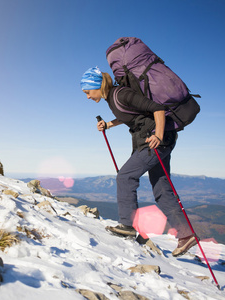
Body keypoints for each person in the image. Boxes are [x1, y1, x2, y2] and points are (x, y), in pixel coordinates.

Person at [81, 66, 197, 257]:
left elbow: (157, 108)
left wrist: (158, 135)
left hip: (155, 142)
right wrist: (109, 124)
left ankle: (127, 225)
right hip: (161, 141)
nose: (87, 97)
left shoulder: (121, 94)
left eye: (87, 92)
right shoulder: (113, 98)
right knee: (161, 189)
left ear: (96, 84)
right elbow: (133, 115)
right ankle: (186, 235)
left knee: (125, 177)